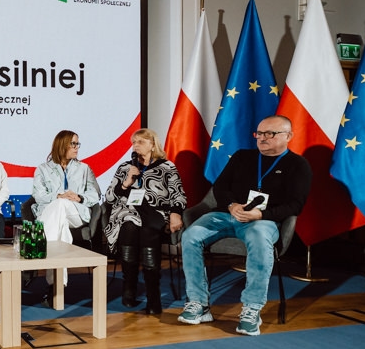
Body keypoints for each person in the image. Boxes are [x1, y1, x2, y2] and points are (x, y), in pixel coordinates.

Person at [178, 114, 311, 335]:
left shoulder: (298, 165)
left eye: (270, 133)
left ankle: (252, 308)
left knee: (260, 239)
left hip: (263, 221)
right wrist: (231, 205)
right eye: (259, 133)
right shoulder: (242, 156)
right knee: (190, 236)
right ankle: (198, 304)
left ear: (288, 136)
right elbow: (220, 187)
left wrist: (261, 215)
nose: (262, 138)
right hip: (226, 215)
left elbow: (295, 206)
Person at [103, 128, 186, 315]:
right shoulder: (125, 167)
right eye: (133, 142)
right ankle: (129, 287)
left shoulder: (167, 167)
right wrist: (126, 183)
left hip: (155, 213)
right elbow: (109, 197)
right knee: (130, 226)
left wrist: (176, 213)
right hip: (128, 212)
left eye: (140, 142)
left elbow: (178, 195)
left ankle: (153, 295)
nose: (136, 146)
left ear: (152, 144)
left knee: (148, 230)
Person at [32, 130, 100, 285]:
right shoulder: (43, 169)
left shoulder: (84, 168)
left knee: (62, 205)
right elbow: (38, 195)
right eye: (73, 144)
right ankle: (56, 285)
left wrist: (79, 197)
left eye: (78, 144)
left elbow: (95, 194)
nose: (77, 147)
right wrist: (58, 196)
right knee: (60, 225)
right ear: (62, 145)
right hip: (52, 212)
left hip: (76, 213)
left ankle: (36, 257)